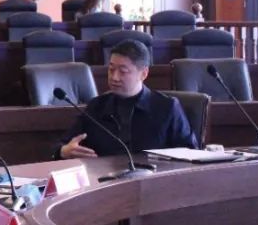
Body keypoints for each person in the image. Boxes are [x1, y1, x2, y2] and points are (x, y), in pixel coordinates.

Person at [56, 39, 196, 159]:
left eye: (123, 71)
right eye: (111, 69)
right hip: (104, 178)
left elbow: (190, 153)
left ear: (144, 74)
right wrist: (64, 151)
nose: (114, 77)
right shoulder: (97, 107)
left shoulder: (167, 108)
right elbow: (62, 145)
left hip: (154, 178)